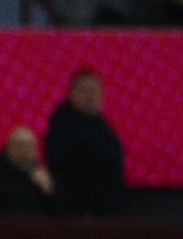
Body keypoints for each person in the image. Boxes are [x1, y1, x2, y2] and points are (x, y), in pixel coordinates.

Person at [43, 70, 127, 217]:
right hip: (79, 212)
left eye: (95, 90)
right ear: (72, 93)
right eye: (85, 90)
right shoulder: (62, 126)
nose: (91, 96)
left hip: (107, 210)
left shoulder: (101, 123)